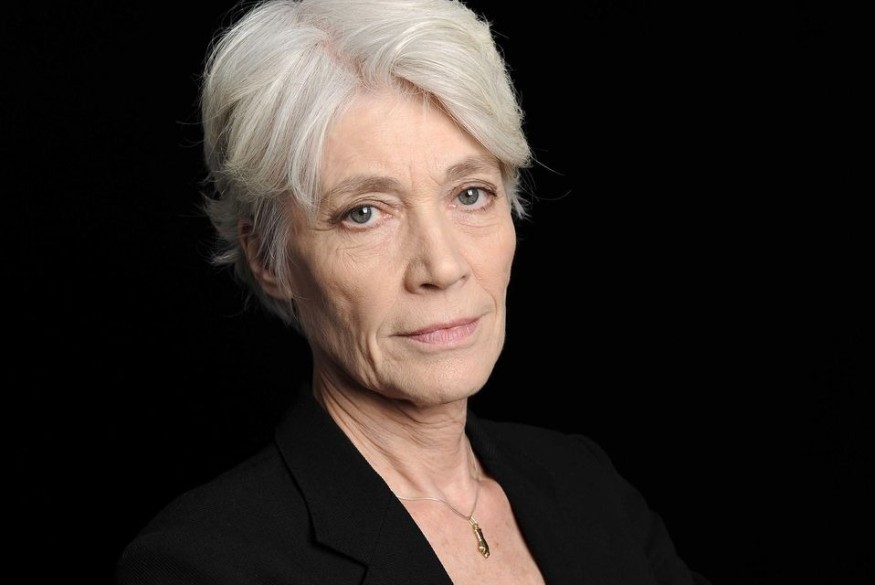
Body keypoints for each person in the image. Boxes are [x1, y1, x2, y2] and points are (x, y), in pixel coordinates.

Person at [115, 0, 711, 583]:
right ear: (268, 259)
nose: (442, 267)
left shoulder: (587, 486)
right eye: (365, 212)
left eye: (471, 194)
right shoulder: (203, 564)